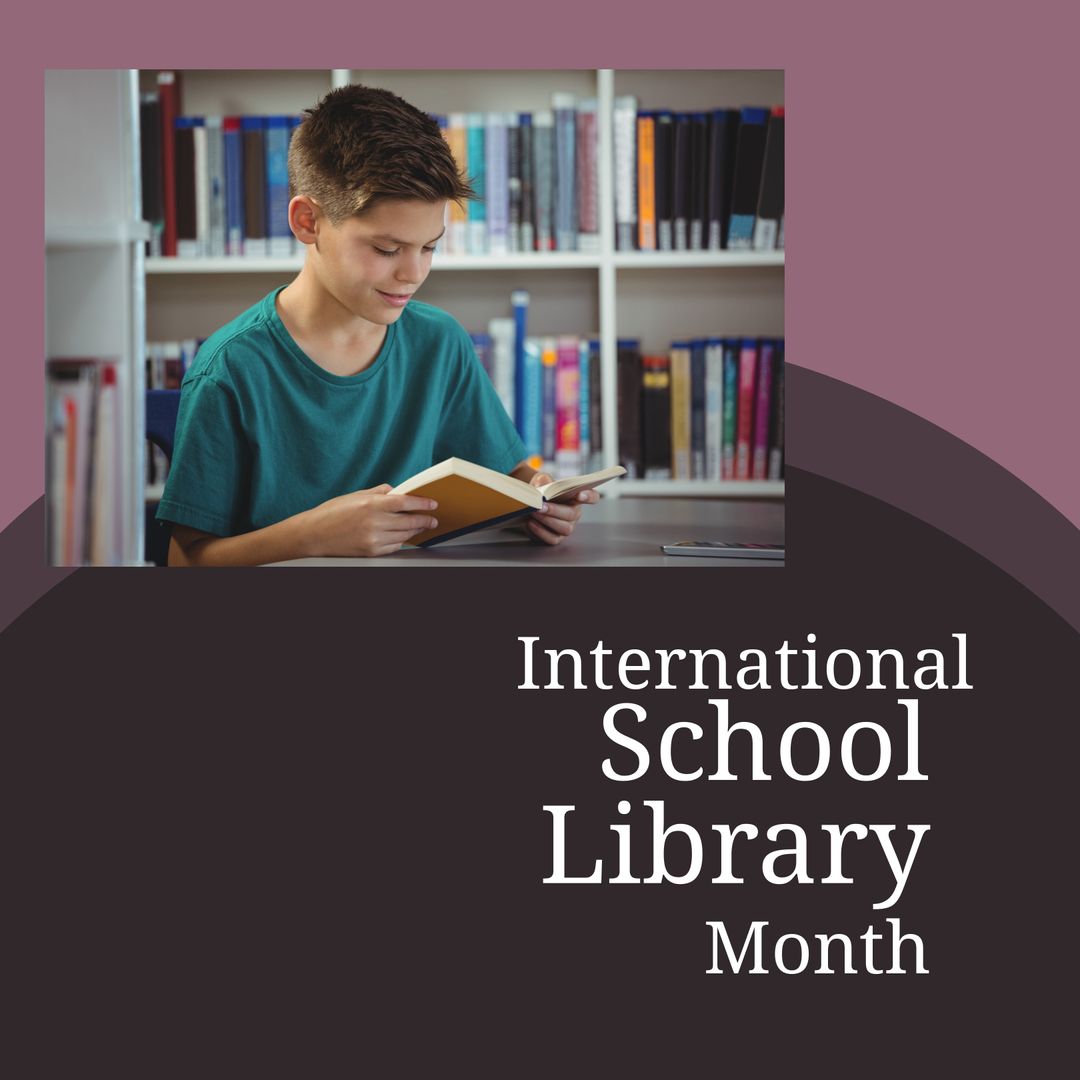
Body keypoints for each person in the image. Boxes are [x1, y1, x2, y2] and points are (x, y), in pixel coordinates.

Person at [158, 84, 598, 566]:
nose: (413, 274)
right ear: (308, 222)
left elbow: (507, 472)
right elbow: (186, 561)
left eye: (429, 246)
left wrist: (536, 499)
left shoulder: (439, 341)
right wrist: (312, 536)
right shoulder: (231, 368)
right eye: (387, 250)